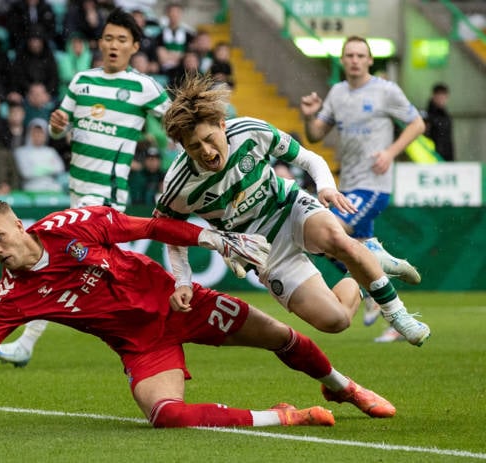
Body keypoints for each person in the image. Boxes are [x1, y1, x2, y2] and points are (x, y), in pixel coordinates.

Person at [0, 199, 396, 433]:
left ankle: (342, 385)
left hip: (184, 305)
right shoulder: (8, 299)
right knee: (165, 416)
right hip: (141, 345)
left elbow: (153, 225)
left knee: (283, 338)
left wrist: (211, 238)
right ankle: (287, 415)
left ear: (19, 225)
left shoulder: (74, 226)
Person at [155, 73, 429, 348]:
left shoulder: (250, 131)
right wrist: (183, 281)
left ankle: (398, 314)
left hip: (289, 208)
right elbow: (170, 233)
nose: (206, 151)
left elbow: (309, 158)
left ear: (222, 124)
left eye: (209, 138)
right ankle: (371, 257)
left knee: (336, 240)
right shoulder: (179, 185)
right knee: (335, 320)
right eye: (194, 146)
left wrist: (325, 187)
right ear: (182, 147)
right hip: (262, 252)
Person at [0, 8, 171, 366]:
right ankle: (155, 325)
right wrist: (58, 123)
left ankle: (27, 341)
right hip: (77, 190)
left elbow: (177, 120)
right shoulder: (82, 81)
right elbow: (61, 129)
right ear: (99, 42)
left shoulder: (144, 87)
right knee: (87, 274)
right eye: (108, 38)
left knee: (50, 259)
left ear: (135, 46)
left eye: (122, 40)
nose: (113, 45)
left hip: (104, 197)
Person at [300, 36, 426, 341]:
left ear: (370, 60)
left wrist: (390, 153)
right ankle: (389, 305)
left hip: (373, 185)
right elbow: (316, 135)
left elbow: (417, 124)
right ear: (343, 61)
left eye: (360, 55)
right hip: (348, 184)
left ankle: (374, 286)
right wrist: (309, 115)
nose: (355, 60)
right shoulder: (338, 93)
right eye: (349, 55)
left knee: (329, 230)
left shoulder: (386, 90)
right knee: (352, 251)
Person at [424, 83, 454, 162]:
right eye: (439, 95)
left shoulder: (446, 116)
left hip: (446, 159)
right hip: (431, 159)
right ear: (433, 96)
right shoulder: (427, 116)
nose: (441, 99)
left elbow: (448, 142)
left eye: (444, 96)